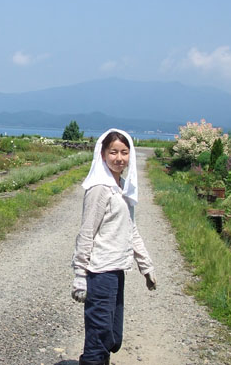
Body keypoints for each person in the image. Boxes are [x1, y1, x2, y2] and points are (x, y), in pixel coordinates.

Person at [71, 128, 157, 365]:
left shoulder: (120, 187)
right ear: (103, 155)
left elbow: (131, 229)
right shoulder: (99, 188)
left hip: (117, 272)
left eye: (124, 152)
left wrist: (146, 266)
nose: (119, 158)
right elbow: (86, 233)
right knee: (98, 341)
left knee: (113, 338)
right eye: (113, 152)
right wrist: (80, 274)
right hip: (100, 274)